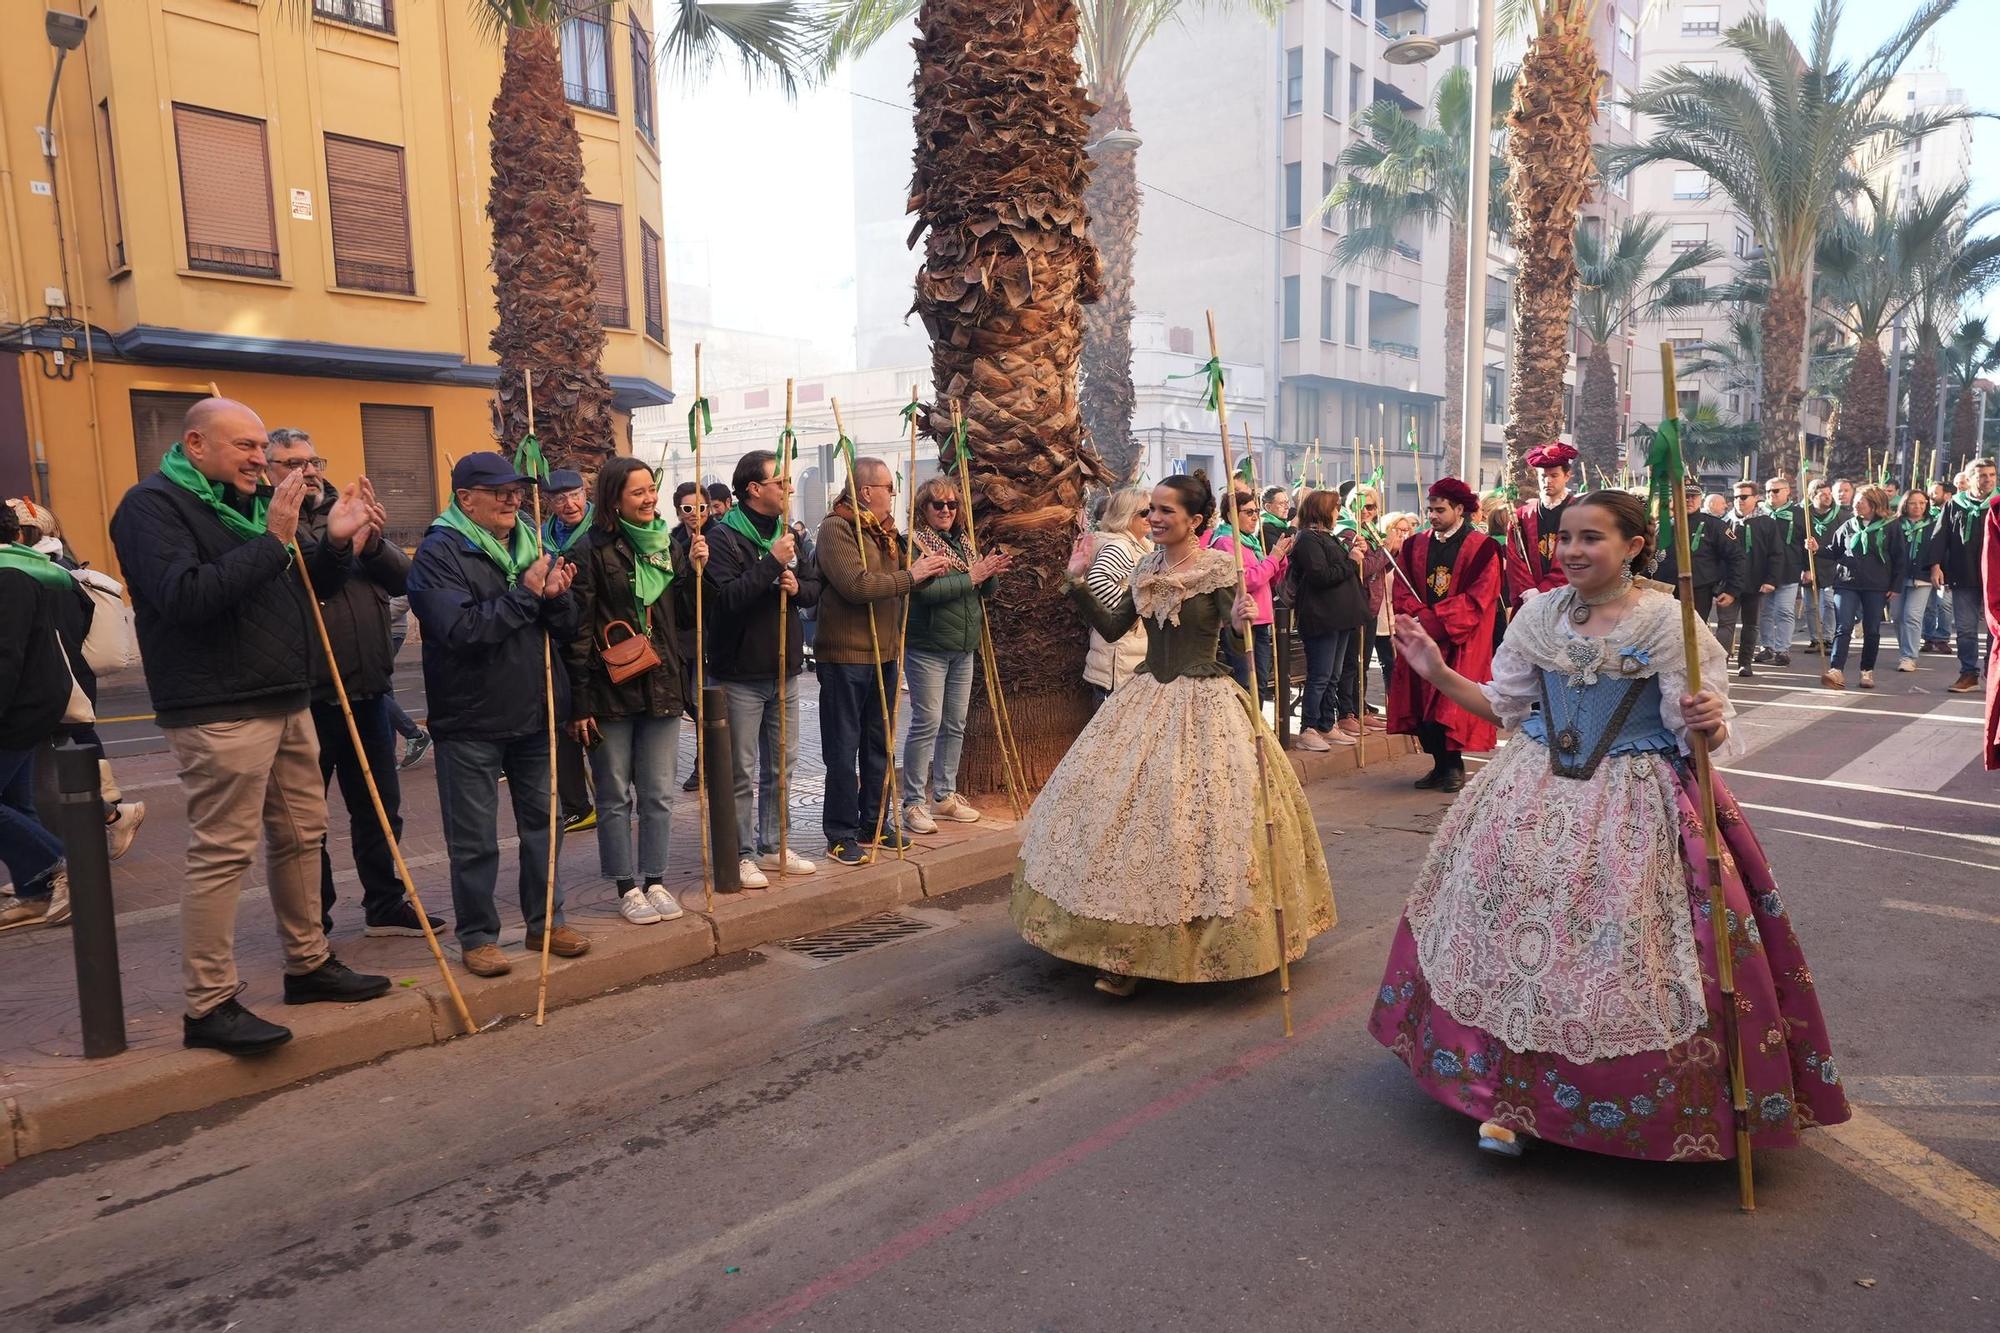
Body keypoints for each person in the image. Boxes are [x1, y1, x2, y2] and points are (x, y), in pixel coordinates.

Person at [1372, 489, 1849, 1163]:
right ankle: (1504, 1097)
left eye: (1591, 538)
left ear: (1633, 545)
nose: (1571, 550)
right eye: (1564, 538)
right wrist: (1437, 670)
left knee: (1614, 947)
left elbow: (1697, 735)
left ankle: (1605, 1104)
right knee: (1512, 938)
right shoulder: (1539, 615)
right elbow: (1503, 705)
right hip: (1530, 793)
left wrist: (1710, 720)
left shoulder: (1666, 623)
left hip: (1634, 803)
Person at [109, 397, 392, 1054]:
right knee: (223, 853)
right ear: (197, 442)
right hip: (218, 707)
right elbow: (186, 598)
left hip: (286, 696)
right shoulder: (151, 507)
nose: (260, 460)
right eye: (245, 447)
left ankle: (309, 963)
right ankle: (208, 1003)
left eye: (263, 447)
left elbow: (302, 583)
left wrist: (338, 538)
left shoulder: (252, 506)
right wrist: (274, 536)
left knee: (302, 835)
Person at [1013, 472, 1336, 997]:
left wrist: (1240, 619)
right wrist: (1076, 580)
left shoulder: (1216, 568)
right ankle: (1119, 949)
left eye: (1166, 511)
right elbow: (1116, 626)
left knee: (1195, 823)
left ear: (1196, 520)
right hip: (1144, 696)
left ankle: (1190, 946)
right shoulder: (1145, 565)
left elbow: (1237, 643)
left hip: (1204, 701)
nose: (1155, 519)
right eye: (1151, 511)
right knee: (1124, 820)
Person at [407, 452, 585, 979]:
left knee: (544, 827)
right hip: (471, 720)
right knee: (475, 839)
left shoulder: (534, 543)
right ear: (466, 499)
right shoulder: (439, 552)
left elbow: (566, 625)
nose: (513, 499)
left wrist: (555, 597)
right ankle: (479, 936)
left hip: (535, 711)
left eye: (516, 490)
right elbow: (463, 631)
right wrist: (528, 594)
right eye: (500, 491)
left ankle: (546, 923)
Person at [266, 428, 440, 939]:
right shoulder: (266, 522)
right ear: (270, 469)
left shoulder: (346, 509)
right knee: (306, 821)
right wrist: (338, 543)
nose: (308, 470)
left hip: (367, 691)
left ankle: (384, 903)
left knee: (381, 809)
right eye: (293, 462)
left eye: (313, 459)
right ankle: (312, 922)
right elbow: (311, 583)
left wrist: (374, 543)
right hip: (309, 697)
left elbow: (405, 581)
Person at [564, 457, 702, 925]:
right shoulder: (590, 550)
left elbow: (681, 618)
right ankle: (626, 886)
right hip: (609, 690)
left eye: (651, 490)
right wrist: (579, 702)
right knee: (614, 794)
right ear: (614, 499)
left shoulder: (667, 544)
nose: (649, 499)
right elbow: (579, 630)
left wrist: (695, 573)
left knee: (660, 792)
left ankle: (656, 879)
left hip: (660, 684)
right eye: (637, 492)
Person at [817, 457, 951, 865]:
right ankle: (840, 831)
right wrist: (912, 576)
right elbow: (856, 586)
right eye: (888, 488)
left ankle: (873, 822)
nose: (893, 495)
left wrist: (924, 573)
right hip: (845, 655)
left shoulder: (887, 532)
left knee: (879, 744)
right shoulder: (836, 527)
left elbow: (896, 585)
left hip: (885, 653)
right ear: (865, 492)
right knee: (843, 749)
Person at [703, 450, 820, 887]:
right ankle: (739, 853)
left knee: (782, 766)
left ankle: (774, 845)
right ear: (754, 489)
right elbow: (726, 602)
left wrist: (796, 584)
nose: (788, 487)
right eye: (781, 481)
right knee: (739, 770)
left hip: (784, 669)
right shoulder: (722, 538)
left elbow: (813, 588)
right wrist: (771, 563)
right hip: (739, 675)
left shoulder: (788, 532)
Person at [6, 497, 145, 855]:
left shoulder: (43, 573)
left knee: (51, 781)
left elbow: (46, 638)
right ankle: (104, 823)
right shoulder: (49, 567)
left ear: (22, 532)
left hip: (50, 687)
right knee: (51, 776)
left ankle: (67, 865)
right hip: (57, 685)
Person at [900, 477, 1011, 834]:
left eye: (952, 505)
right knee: (926, 723)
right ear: (923, 509)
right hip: (928, 647)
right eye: (938, 504)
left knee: (954, 723)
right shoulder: (914, 543)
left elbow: (979, 589)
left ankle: (944, 795)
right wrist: (974, 576)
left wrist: (990, 572)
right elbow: (924, 592)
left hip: (964, 646)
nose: (946, 510)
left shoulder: (963, 541)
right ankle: (914, 802)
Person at [0, 500, 84, 930]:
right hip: (28, 704)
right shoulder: (22, 566)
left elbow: (6, 657)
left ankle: (67, 867)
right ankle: (34, 892)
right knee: (15, 801)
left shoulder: (9, 576)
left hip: (18, 708)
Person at [1388, 477, 1502, 793]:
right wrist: (1418, 620)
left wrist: (1434, 622)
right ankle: (1438, 765)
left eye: (1440, 510)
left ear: (1459, 509)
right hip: (1422, 638)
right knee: (1422, 709)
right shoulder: (1414, 545)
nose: (1433, 516)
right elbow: (1401, 589)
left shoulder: (1484, 549)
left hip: (1458, 640)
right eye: (1430, 510)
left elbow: (1479, 596)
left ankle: (1453, 767)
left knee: (1448, 707)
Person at [541, 469, 597, 834]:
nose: (569, 504)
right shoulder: (541, 538)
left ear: (586, 492)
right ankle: (578, 806)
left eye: (574, 495)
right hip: (558, 640)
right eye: (559, 498)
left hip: (598, 639)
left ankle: (614, 795)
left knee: (597, 720)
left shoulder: (604, 529)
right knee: (562, 725)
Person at [1290, 489, 1367, 751]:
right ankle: (1308, 727)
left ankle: (1325, 723)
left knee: (1333, 675)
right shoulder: (1307, 540)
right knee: (1320, 675)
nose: (1338, 513)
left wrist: (1352, 553)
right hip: (1321, 616)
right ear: (1323, 510)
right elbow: (1321, 575)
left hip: (1339, 615)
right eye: (1335, 508)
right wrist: (1350, 560)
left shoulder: (1327, 537)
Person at [1208, 484, 1294, 701]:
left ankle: (1258, 732)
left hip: (1261, 620)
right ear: (1230, 515)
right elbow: (1245, 580)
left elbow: (1269, 581)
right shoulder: (1225, 542)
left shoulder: (1251, 542)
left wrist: (1280, 558)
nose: (1255, 517)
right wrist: (1273, 558)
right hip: (1244, 623)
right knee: (1247, 686)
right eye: (1248, 512)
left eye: (1256, 511)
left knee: (1260, 685)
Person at [1822, 484, 1907, 691]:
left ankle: (1867, 670)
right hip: (1847, 582)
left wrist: (1895, 586)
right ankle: (1836, 669)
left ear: (1875, 504)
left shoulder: (1891, 526)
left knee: (1872, 629)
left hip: (1876, 585)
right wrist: (1816, 549)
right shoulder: (1849, 525)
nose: (1856, 504)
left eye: (1861, 501)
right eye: (1856, 500)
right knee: (1843, 627)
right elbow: (1835, 550)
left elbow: (1900, 557)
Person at [1080, 486, 1151, 709]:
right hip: (1119, 663)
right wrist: (1129, 614)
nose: (1152, 517)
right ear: (1126, 515)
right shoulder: (1121, 546)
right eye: (1145, 512)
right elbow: (1097, 581)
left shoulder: (1135, 544)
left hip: (1122, 659)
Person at [1936, 456, 1996, 694]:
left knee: (1996, 628)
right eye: (1983, 475)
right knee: (1966, 628)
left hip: (1995, 576)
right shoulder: (1955, 504)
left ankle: (1992, 671)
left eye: (1992, 475)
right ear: (1970, 479)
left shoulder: (1999, 502)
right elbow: (1941, 536)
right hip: (1964, 573)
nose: (1988, 480)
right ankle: (1968, 673)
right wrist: (1936, 565)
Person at [1649, 479, 1743, 620]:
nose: (1689, 500)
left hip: (1698, 592)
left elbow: (1737, 557)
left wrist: (1731, 590)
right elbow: (1649, 558)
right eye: (1684, 495)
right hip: (1664, 591)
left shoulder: (1714, 526)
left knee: (1695, 637)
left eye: (1694, 496)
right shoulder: (1661, 527)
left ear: (1701, 498)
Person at [1718, 480, 1778, 678]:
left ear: (1756, 498)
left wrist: (1770, 580)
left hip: (1755, 582)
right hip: (1728, 584)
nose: (1738, 501)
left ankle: (1745, 662)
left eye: (1743, 497)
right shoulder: (1724, 523)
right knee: (1726, 625)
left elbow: (1775, 554)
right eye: (1735, 497)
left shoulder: (1767, 523)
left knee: (1751, 625)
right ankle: (1721, 662)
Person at [670, 481, 708, 789]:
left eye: (700, 507)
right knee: (690, 700)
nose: (694, 514)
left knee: (705, 698)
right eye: (687, 508)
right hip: (684, 635)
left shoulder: (721, 537)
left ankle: (705, 762)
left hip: (712, 634)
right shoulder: (671, 542)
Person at [1509, 442, 1579, 606]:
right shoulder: (1522, 515)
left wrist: (1543, 590)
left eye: (1554, 475)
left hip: (1569, 598)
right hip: (1529, 599)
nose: (1548, 481)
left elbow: (1576, 556)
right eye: (1543, 476)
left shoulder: (1580, 511)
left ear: (1567, 476)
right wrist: (1529, 591)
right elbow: (1515, 560)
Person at [1754, 473, 1811, 665]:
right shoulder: (1760, 512)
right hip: (1764, 570)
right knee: (1765, 612)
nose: (1771, 494)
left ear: (1787, 492)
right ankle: (1766, 646)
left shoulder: (1798, 514)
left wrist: (1808, 568)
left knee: (1784, 611)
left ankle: (1783, 649)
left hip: (1789, 568)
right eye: (1768, 491)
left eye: (1776, 491)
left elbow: (1806, 543)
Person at [1892, 488, 1944, 673]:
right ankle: (1904, 650)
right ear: (1905, 504)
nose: (1918, 507)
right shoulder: (1895, 524)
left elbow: (1939, 550)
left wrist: (1936, 569)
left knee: (1912, 616)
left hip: (1922, 576)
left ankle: (1909, 656)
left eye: (1922, 503)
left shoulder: (1933, 524)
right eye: (1913, 503)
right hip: (1897, 577)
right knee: (1897, 617)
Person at [384, 595, 431, 770]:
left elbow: (405, 595)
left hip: (386, 628)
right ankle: (387, 755)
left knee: (369, 686)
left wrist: (377, 615)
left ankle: (414, 734)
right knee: (381, 687)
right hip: (377, 628)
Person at [1805, 478, 1847, 650]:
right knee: (1811, 606)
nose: (1828, 497)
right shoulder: (1804, 515)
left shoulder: (1841, 515)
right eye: (1823, 494)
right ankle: (1815, 638)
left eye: (1830, 494)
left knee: (1829, 604)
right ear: (1813, 496)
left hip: (1832, 564)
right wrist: (1805, 567)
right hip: (1811, 564)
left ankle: (1828, 637)